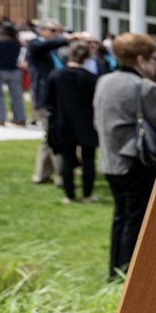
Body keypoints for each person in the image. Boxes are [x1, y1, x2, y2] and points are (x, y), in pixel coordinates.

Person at [93, 33, 156, 278]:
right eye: (154, 58)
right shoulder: (145, 87)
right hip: (136, 162)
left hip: (110, 161)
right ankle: (128, 274)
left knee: (121, 218)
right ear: (141, 59)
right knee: (134, 221)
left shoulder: (104, 81)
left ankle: (115, 271)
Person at [45, 41, 99, 203]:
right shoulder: (92, 78)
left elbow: (49, 101)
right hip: (87, 122)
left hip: (63, 121)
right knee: (89, 159)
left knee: (67, 159)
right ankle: (87, 195)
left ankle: (69, 195)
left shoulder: (56, 75)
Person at [25, 20, 71, 184]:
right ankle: (62, 176)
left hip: (57, 99)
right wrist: (70, 37)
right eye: (54, 30)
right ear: (41, 31)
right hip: (45, 99)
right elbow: (48, 46)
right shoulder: (35, 45)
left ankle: (42, 175)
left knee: (48, 138)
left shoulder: (56, 52)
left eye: (60, 31)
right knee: (54, 137)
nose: (58, 34)